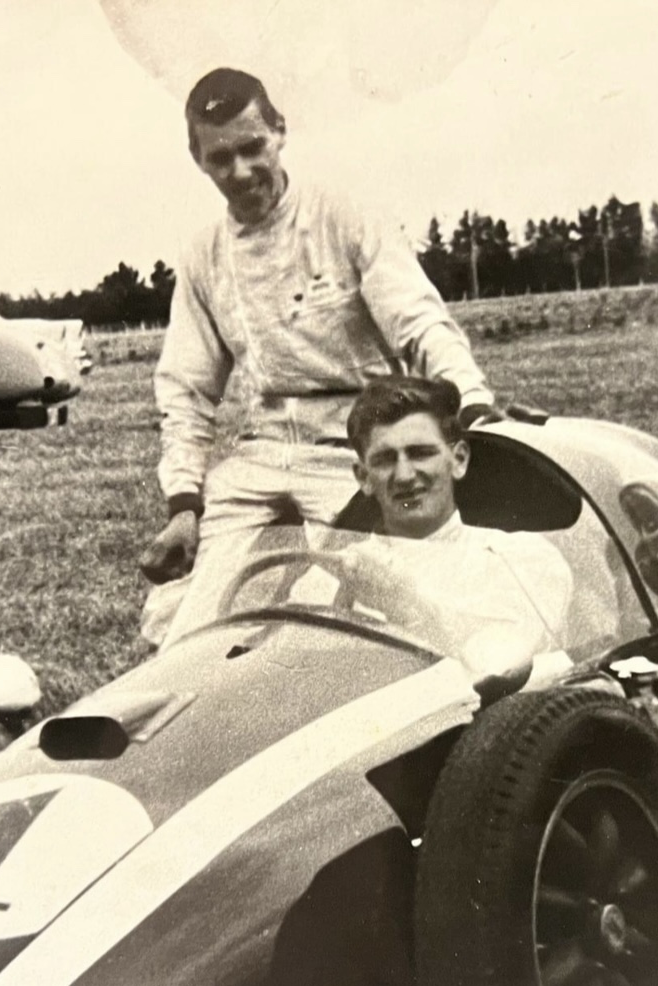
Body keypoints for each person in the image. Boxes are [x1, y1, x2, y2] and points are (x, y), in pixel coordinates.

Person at [138, 66, 498, 647]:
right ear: (197, 159)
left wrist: (474, 403)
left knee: (369, 607)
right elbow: (185, 389)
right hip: (260, 455)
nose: (241, 171)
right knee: (190, 624)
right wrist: (183, 503)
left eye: (252, 148)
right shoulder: (204, 255)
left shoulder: (342, 214)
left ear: (279, 132)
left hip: (350, 445)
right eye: (220, 158)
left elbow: (418, 323)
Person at [335, 375, 571, 661]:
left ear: (458, 459)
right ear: (363, 477)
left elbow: (500, 661)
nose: (405, 475)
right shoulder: (333, 570)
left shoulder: (522, 560)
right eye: (385, 459)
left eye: (421, 454)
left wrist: (409, 607)